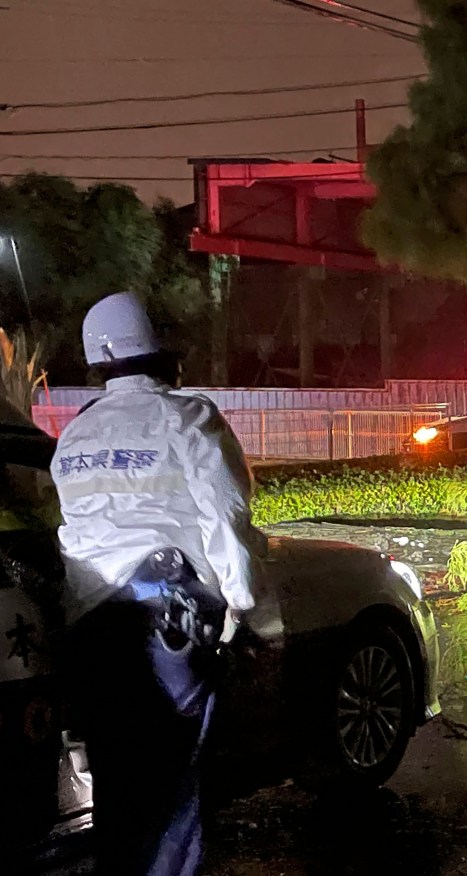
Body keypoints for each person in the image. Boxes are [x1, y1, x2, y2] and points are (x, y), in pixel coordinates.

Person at [50, 292, 262, 875]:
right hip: (169, 620)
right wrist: (243, 610)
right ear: (166, 356)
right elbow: (227, 519)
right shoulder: (189, 418)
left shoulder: (75, 436)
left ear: (100, 362)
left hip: (95, 626)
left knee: (119, 788)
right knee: (172, 790)